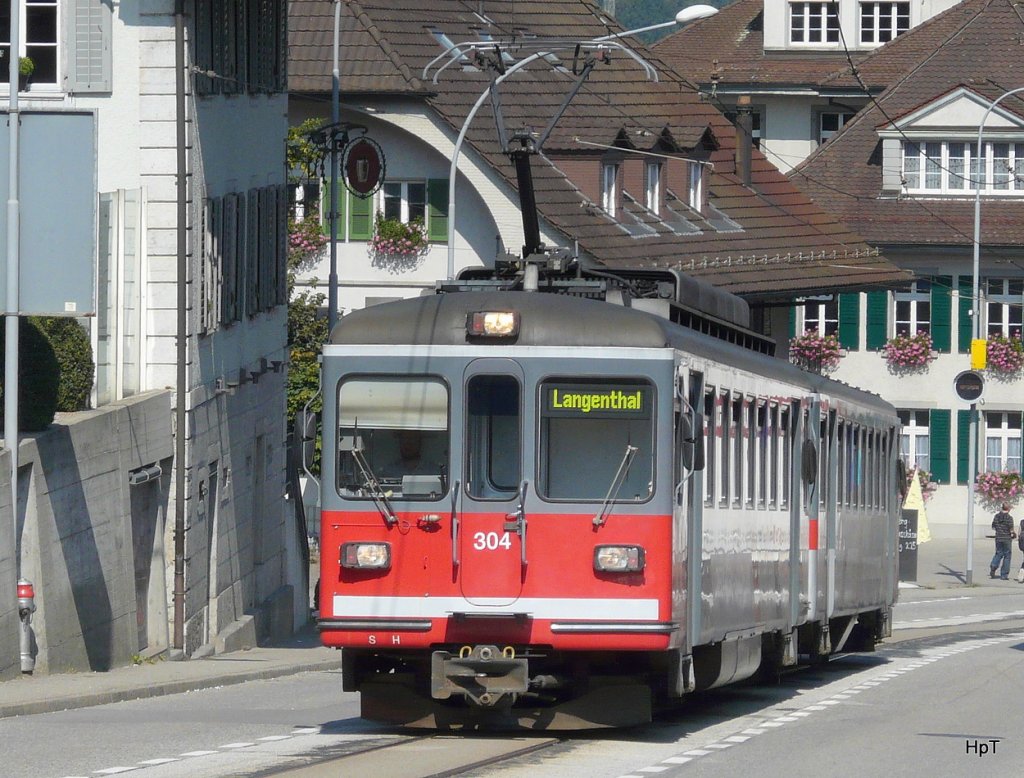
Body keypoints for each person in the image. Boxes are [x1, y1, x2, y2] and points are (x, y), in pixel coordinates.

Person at [989, 503, 1016, 580]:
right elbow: (1011, 530)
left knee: (998, 553)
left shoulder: (996, 516)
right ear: (1009, 509)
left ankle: (994, 565)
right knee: (1007, 556)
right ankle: (1004, 575)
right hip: (1007, 538)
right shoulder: (1009, 518)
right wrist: (1013, 534)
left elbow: (993, 526)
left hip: (998, 537)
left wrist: (999, 529)